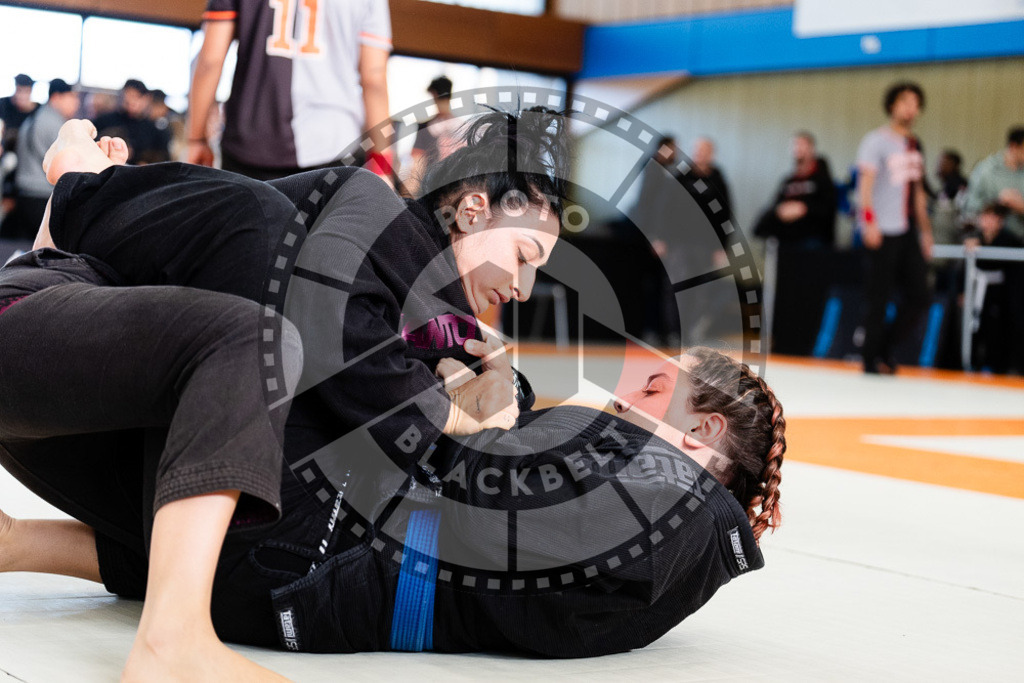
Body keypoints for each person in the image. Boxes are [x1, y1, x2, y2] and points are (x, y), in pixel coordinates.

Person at [1, 108, 564, 676]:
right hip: (64, 292)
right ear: (472, 213)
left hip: (100, 373)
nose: (522, 287)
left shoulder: (432, 315)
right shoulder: (376, 214)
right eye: (524, 256)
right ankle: (80, 171)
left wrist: (499, 386)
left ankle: (16, 543)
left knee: (237, 514)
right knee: (262, 297)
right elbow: (339, 333)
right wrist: (453, 412)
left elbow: (444, 410)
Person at [1, 344, 785, 659]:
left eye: (655, 388)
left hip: (309, 549)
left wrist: (459, 403)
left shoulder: (671, 502)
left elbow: (488, 495)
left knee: (256, 331)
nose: (624, 394)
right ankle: (21, 544)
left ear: (701, 432)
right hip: (296, 576)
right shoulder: (666, 518)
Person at [188, 0, 393, 181]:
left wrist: (196, 139)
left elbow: (210, 62)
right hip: (335, 145)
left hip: (251, 141)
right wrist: (381, 165)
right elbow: (373, 79)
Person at [855, 82, 934, 375]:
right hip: (882, 229)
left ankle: (886, 347)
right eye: (904, 101)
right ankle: (870, 358)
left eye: (915, 102)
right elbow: (864, 186)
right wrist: (869, 221)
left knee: (919, 296)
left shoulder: (914, 145)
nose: (910, 108)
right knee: (879, 296)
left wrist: (926, 232)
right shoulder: (876, 141)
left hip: (907, 231)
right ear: (892, 105)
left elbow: (918, 194)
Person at [0, 79, 80, 241]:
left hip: (25, 193)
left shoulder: (35, 117)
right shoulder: (54, 124)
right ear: (56, 97)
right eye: (72, 97)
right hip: (40, 196)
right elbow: (71, 162)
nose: (76, 103)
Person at [962, 203, 1023, 373]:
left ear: (1000, 221)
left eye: (992, 217)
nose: (987, 222)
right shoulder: (975, 238)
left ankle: (997, 366)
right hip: (978, 292)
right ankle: (972, 363)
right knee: (974, 327)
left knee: (998, 331)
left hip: (1001, 294)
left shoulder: (1009, 240)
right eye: (985, 217)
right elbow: (966, 268)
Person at [753, 131, 837, 249]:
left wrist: (803, 208)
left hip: (813, 241)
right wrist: (780, 211)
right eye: (795, 145)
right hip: (786, 240)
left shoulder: (822, 179)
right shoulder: (788, 181)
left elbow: (828, 208)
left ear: (812, 149)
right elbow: (774, 206)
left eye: (802, 145)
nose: (798, 148)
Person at [404, 76, 464, 196]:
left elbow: (417, 165)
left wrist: (406, 195)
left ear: (434, 94)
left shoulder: (425, 128)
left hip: (430, 193)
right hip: (456, 193)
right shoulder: (463, 128)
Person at [964, 126, 1024, 240]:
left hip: (1020, 245)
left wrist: (1021, 207)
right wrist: (996, 204)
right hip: (990, 244)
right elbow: (969, 209)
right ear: (1013, 146)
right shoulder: (986, 170)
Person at [93, 79, 170, 164]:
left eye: (136, 96)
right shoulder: (106, 121)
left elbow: (162, 159)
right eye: (128, 96)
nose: (131, 101)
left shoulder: (155, 130)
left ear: (146, 98)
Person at [684, 136, 732, 218]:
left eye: (704, 151)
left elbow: (724, 208)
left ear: (711, 154)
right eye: (697, 150)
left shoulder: (717, 179)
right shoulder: (682, 175)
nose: (699, 153)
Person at [930, 149, 968, 245]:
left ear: (953, 165)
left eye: (942, 162)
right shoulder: (946, 184)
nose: (938, 166)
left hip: (952, 238)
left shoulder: (958, 184)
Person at [0, 74, 37, 153]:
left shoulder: (37, 111)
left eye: (26, 91)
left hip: (25, 154)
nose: (22, 96)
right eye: (19, 90)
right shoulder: (3, 105)